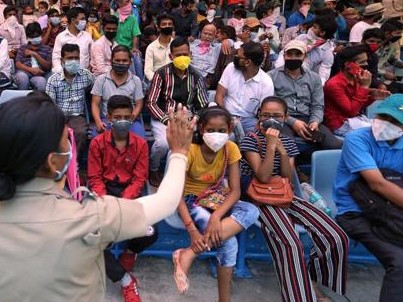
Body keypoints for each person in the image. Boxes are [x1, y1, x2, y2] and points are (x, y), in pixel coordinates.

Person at [0, 91, 195, 302]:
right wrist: (179, 152)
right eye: (65, 141)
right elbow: (166, 201)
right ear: (53, 161)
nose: (70, 147)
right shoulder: (88, 216)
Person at [240, 96, 349, 302]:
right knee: (290, 243)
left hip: (284, 193)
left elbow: (287, 177)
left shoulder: (288, 141)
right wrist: (271, 146)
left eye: (276, 116)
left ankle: (314, 282)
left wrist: (281, 148)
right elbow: (262, 177)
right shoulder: (249, 139)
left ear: (285, 118)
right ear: (258, 116)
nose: (270, 120)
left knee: (335, 235)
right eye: (266, 115)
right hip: (259, 198)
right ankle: (300, 297)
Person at [334, 94, 403, 302]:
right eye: (383, 116)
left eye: (396, 121)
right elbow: (377, 184)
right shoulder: (358, 139)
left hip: (398, 210)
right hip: (357, 213)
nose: (385, 123)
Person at [172, 106, 259, 298]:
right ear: (201, 129)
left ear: (230, 130)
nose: (217, 135)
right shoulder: (191, 151)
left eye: (222, 130)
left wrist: (217, 217)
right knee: (229, 245)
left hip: (215, 199)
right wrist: (192, 230)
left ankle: (189, 254)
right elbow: (176, 194)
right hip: (190, 201)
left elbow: (235, 191)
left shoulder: (231, 148)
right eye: (211, 130)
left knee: (252, 211)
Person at [87, 95, 152, 302]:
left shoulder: (141, 145)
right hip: (104, 194)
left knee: (151, 232)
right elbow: (95, 178)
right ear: (108, 117)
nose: (122, 121)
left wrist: (124, 202)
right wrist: (107, 203)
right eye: (117, 117)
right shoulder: (97, 143)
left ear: (132, 117)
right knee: (88, 241)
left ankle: (130, 251)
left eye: (126, 116)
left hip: (129, 196)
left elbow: (140, 178)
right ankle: (125, 280)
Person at [147, 37, 210, 186]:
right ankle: (154, 169)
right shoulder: (161, 74)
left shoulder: (196, 76)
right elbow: (151, 103)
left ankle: (187, 174)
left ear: (190, 55)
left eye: (185, 54)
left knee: (200, 140)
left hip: (187, 118)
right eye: (178, 55)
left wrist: (194, 119)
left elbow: (202, 104)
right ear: (171, 56)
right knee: (162, 145)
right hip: (164, 117)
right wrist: (167, 120)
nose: (182, 58)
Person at [269, 40, 342, 152]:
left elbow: (318, 106)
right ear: (284, 56)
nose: (293, 58)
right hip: (283, 120)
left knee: (332, 145)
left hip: (307, 120)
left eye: (298, 54)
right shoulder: (271, 76)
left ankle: (308, 165)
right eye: (289, 54)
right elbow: (271, 108)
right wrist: (293, 122)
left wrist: (315, 122)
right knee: (287, 145)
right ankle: (291, 168)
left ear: (305, 57)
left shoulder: (314, 78)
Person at [324, 44, 390, 136]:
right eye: (362, 62)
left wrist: (373, 97)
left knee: (392, 128)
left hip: (355, 120)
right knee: (383, 135)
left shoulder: (356, 78)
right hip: (340, 125)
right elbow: (351, 111)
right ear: (348, 65)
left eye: (366, 61)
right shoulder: (334, 84)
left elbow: (358, 106)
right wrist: (364, 87)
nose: (366, 65)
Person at [46, 43, 94, 155]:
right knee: (51, 132)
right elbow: (50, 104)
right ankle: (57, 163)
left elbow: (96, 90)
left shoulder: (86, 75)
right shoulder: (53, 79)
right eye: (69, 58)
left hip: (76, 115)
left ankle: (73, 163)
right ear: (62, 60)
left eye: (76, 58)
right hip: (58, 115)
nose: (73, 61)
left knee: (80, 132)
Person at [216, 42, 274, 134]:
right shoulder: (231, 68)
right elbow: (219, 95)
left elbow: (265, 112)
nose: (235, 57)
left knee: (255, 140)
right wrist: (226, 117)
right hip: (226, 114)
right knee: (228, 137)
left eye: (238, 56)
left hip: (249, 120)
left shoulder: (266, 82)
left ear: (247, 62)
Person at [92, 46, 145, 138]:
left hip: (129, 121)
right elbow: (95, 104)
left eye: (124, 60)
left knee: (139, 140)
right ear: (111, 61)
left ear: (130, 62)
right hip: (107, 120)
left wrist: (130, 119)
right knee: (97, 141)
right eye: (117, 60)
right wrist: (98, 122)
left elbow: (139, 104)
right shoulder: (101, 80)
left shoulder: (136, 80)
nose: (121, 63)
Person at [51, 7, 92, 73]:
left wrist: (88, 70)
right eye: (82, 19)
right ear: (73, 20)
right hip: (65, 74)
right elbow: (56, 56)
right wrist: (59, 71)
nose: (84, 21)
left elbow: (92, 56)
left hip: (84, 74)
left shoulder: (87, 36)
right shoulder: (61, 37)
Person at [14, 22, 52, 91]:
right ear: (28, 37)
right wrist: (31, 69)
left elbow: (48, 66)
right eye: (32, 37)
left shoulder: (47, 49)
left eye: (37, 36)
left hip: (39, 75)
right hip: (24, 72)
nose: (35, 38)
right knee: (22, 78)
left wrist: (35, 54)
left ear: (41, 35)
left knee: (41, 82)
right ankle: (22, 100)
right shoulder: (23, 48)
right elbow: (18, 64)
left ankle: (39, 101)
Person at [144, 14, 174, 82]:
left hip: (175, 83)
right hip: (156, 82)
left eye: (169, 24)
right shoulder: (151, 47)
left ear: (173, 27)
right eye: (164, 24)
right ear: (158, 27)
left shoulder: (178, 46)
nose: (167, 26)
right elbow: (148, 71)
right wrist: (159, 81)